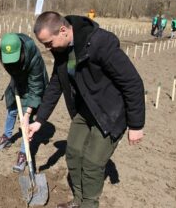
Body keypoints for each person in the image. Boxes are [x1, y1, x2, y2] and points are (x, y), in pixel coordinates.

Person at [28, 11, 145, 208]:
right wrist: (39, 120)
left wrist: (136, 124)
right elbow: (56, 84)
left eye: (48, 43)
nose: (47, 49)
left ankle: (89, 204)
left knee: (92, 163)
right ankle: (79, 200)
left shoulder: (100, 43)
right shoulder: (62, 50)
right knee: (73, 153)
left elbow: (132, 82)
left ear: (63, 30)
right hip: (85, 110)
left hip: (109, 113)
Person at [0, 33, 48, 172]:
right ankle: (7, 135)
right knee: (12, 108)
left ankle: (24, 153)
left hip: (33, 84)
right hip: (18, 80)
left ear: (21, 52)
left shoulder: (33, 57)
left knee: (26, 119)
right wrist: (16, 82)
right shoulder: (7, 53)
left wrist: (27, 114)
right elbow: (11, 69)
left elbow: (36, 88)